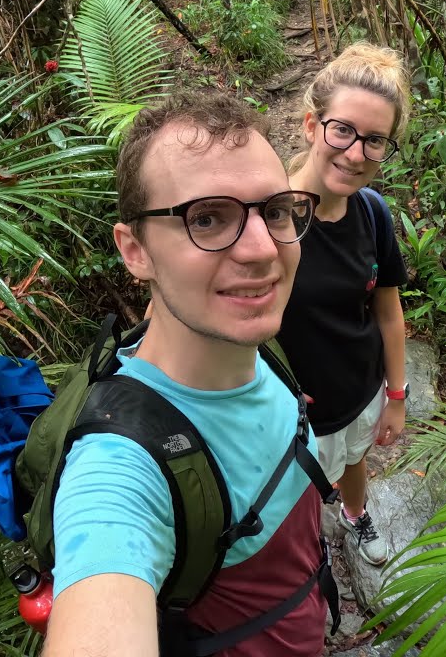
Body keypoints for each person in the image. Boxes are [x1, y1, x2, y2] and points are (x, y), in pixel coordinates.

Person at [43, 92, 332, 656]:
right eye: (206, 218)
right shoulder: (121, 465)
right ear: (136, 251)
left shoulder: (258, 341)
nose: (260, 249)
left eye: (274, 210)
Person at [278, 43, 411, 567]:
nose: (356, 153)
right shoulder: (267, 219)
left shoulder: (373, 213)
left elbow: (388, 312)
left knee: (354, 460)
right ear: (313, 125)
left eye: (375, 140)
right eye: (343, 130)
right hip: (291, 414)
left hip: (358, 389)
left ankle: (354, 515)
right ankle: (304, 551)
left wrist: (396, 395)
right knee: (293, 499)